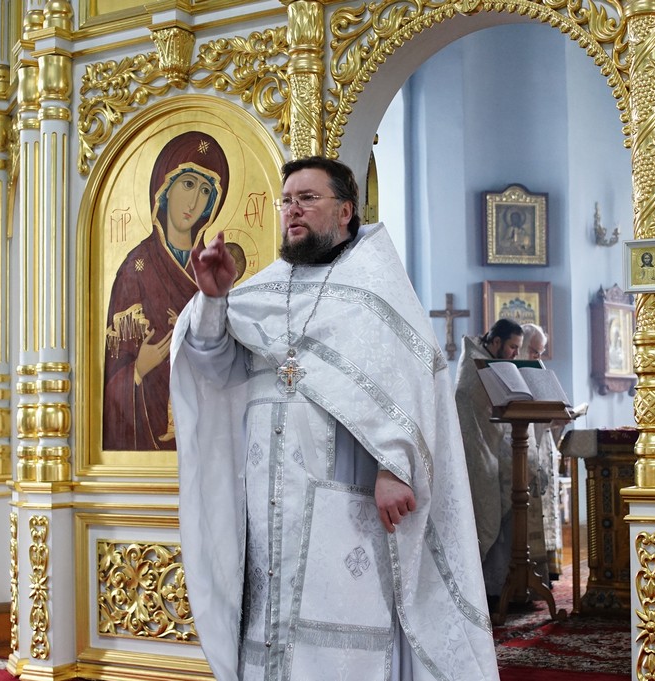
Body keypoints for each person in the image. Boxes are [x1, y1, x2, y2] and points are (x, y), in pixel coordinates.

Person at [169, 156, 498, 681]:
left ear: (345, 211)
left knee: (343, 644)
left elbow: (410, 383)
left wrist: (395, 467)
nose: (293, 210)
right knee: (269, 632)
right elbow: (213, 367)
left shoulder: (377, 292)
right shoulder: (260, 293)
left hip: (348, 503)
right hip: (268, 501)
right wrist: (213, 299)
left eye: (308, 198)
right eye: (286, 201)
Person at [103, 130, 230, 450]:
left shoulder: (216, 270)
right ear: (165, 187)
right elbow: (110, 379)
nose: (194, 201)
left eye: (205, 191)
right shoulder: (135, 269)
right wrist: (138, 369)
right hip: (149, 433)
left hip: (208, 434)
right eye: (187, 183)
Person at [454, 318, 523, 598]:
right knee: (481, 514)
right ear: (496, 342)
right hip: (473, 450)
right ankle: (474, 592)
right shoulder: (476, 365)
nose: (516, 354)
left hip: (486, 447)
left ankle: (492, 588)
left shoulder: (486, 361)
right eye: (512, 347)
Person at [519, 323, 564, 579]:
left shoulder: (539, 372)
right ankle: (531, 571)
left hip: (544, 446)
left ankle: (548, 570)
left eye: (540, 352)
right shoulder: (514, 375)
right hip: (525, 449)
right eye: (534, 351)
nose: (538, 357)